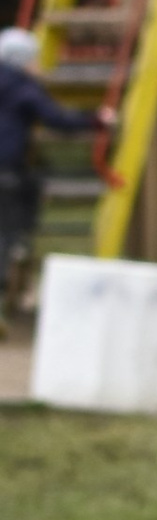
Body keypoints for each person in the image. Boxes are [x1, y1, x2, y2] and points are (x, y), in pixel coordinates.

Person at [0, 27, 87, 326]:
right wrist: (97, 120)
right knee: (10, 230)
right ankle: (14, 262)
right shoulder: (23, 86)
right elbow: (57, 119)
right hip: (7, 170)